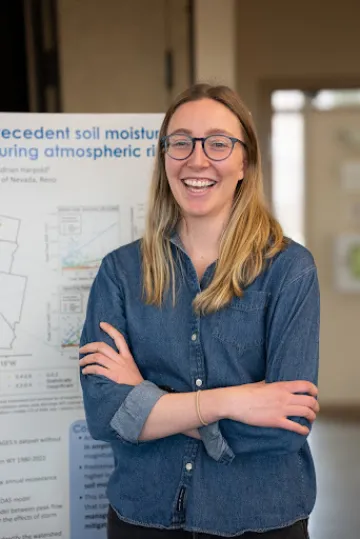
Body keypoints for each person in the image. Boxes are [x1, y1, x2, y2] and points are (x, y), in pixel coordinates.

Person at [79, 83, 320, 539]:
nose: (197, 159)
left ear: (244, 162)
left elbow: (284, 429)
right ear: (165, 157)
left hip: (260, 519)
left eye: (218, 143)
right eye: (181, 142)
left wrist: (149, 402)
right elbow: (106, 413)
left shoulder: (290, 270)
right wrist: (235, 401)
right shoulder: (120, 272)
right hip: (143, 516)